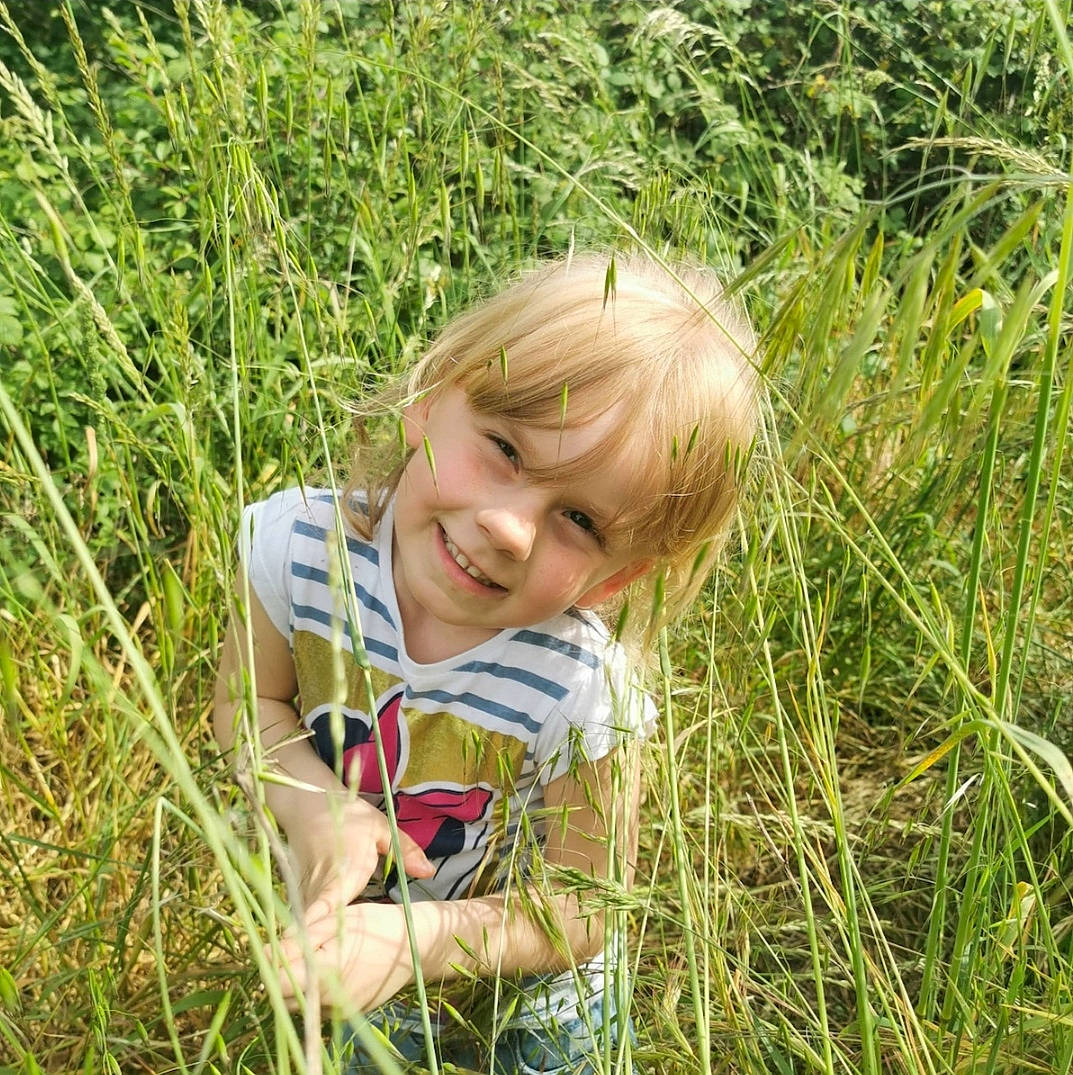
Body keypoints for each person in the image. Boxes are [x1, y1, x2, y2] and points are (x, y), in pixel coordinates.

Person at [213, 251, 759, 1073]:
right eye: (504, 446)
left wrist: (418, 941)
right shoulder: (293, 551)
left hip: (532, 993)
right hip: (352, 950)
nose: (507, 527)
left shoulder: (583, 690)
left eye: (577, 516)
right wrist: (318, 808)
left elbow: (581, 907)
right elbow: (248, 710)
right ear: (429, 401)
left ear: (616, 577)